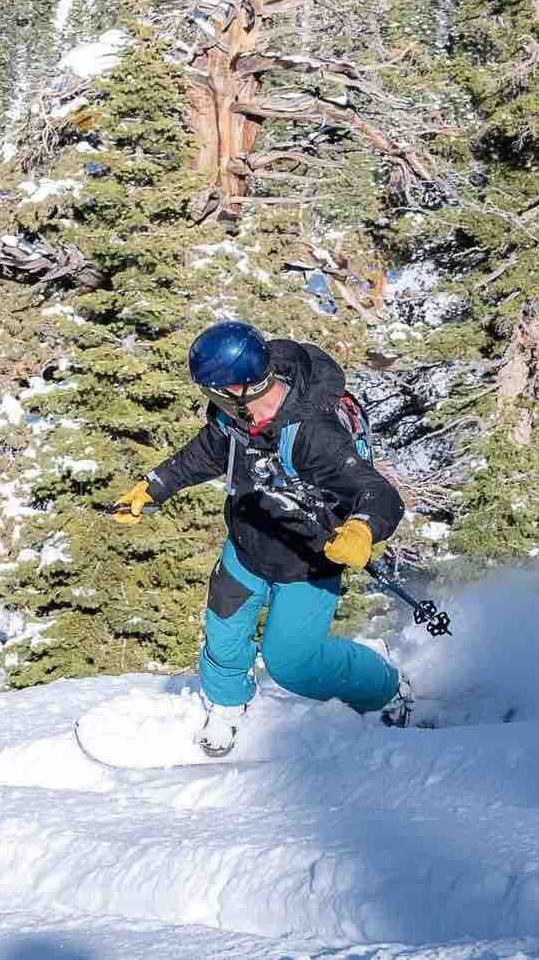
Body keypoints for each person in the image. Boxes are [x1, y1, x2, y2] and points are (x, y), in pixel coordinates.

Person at [111, 320, 412, 753]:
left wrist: (363, 527)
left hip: (306, 560)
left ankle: (386, 688)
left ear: (239, 386)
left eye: (212, 389)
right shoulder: (235, 417)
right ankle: (225, 705)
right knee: (224, 629)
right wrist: (153, 486)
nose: (209, 398)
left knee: (293, 663)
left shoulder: (312, 433)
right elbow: (203, 454)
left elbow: (378, 492)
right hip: (247, 544)